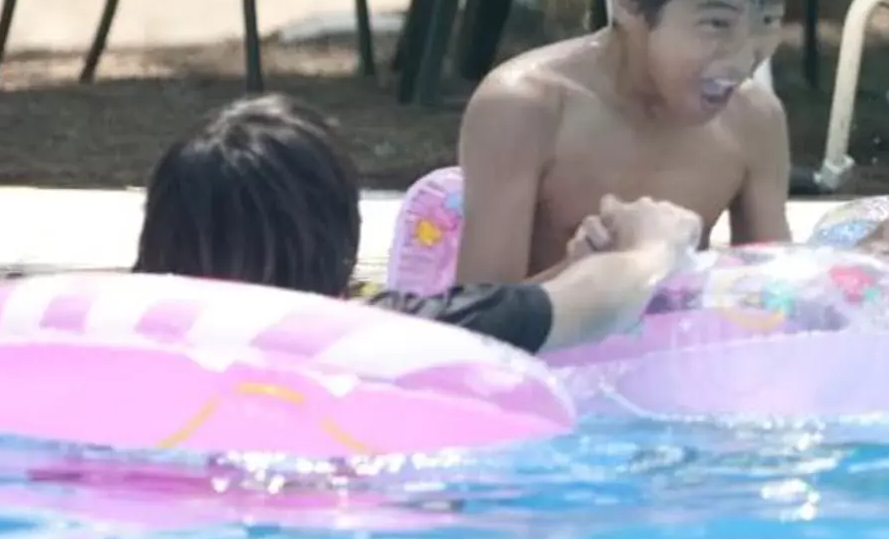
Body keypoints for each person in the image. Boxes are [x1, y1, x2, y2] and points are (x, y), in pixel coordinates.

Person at [133, 94, 705, 354]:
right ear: (342, 245)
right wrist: (652, 244)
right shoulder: (390, 334)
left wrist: (573, 265)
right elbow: (591, 305)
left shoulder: (116, 327)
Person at [453, 0, 795, 284]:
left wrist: (860, 263)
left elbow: (776, 294)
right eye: (717, 24)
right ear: (629, 4)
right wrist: (585, 275)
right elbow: (476, 318)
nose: (744, 60)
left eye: (767, 21)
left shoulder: (754, 121)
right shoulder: (527, 109)